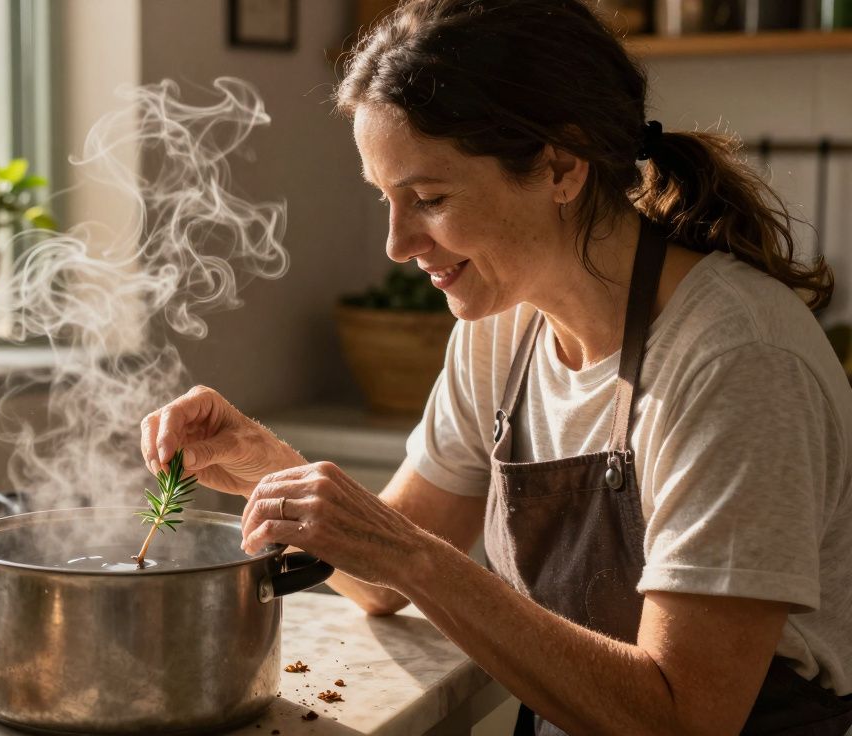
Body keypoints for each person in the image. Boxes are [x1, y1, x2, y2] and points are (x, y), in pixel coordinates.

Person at [139, 1, 852, 733]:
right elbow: (386, 572)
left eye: (429, 199)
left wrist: (415, 558)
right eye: (384, 199)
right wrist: (266, 463)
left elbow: (686, 719)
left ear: (561, 167)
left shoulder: (735, 361)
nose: (396, 242)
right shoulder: (505, 326)